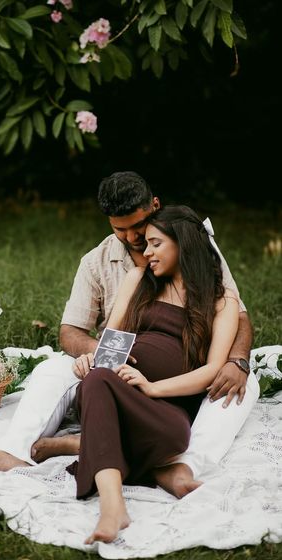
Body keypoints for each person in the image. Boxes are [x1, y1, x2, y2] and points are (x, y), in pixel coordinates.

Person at [0, 172, 259, 496]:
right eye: (119, 229)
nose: (131, 237)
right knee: (52, 369)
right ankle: (13, 452)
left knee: (242, 382)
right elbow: (70, 330)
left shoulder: (194, 246)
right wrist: (98, 354)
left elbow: (238, 315)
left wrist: (237, 361)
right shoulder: (97, 263)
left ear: (155, 207)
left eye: (139, 227)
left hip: (189, 373)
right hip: (118, 369)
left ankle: (182, 466)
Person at [67, 205, 240, 544]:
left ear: (183, 244)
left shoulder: (222, 302)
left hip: (165, 414)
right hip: (112, 390)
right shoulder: (138, 280)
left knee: (112, 395)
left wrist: (152, 388)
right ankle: (112, 506)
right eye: (146, 245)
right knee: (97, 379)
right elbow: (109, 341)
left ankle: (81, 444)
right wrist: (90, 359)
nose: (145, 253)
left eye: (155, 244)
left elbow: (211, 370)